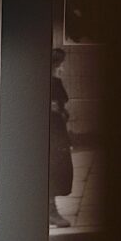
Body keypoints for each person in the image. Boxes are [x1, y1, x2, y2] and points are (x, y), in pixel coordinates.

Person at [49, 48, 73, 228]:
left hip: (57, 132)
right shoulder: (51, 82)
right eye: (61, 64)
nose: (62, 67)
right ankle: (51, 211)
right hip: (52, 134)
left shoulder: (55, 82)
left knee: (56, 169)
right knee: (54, 170)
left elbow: (61, 108)